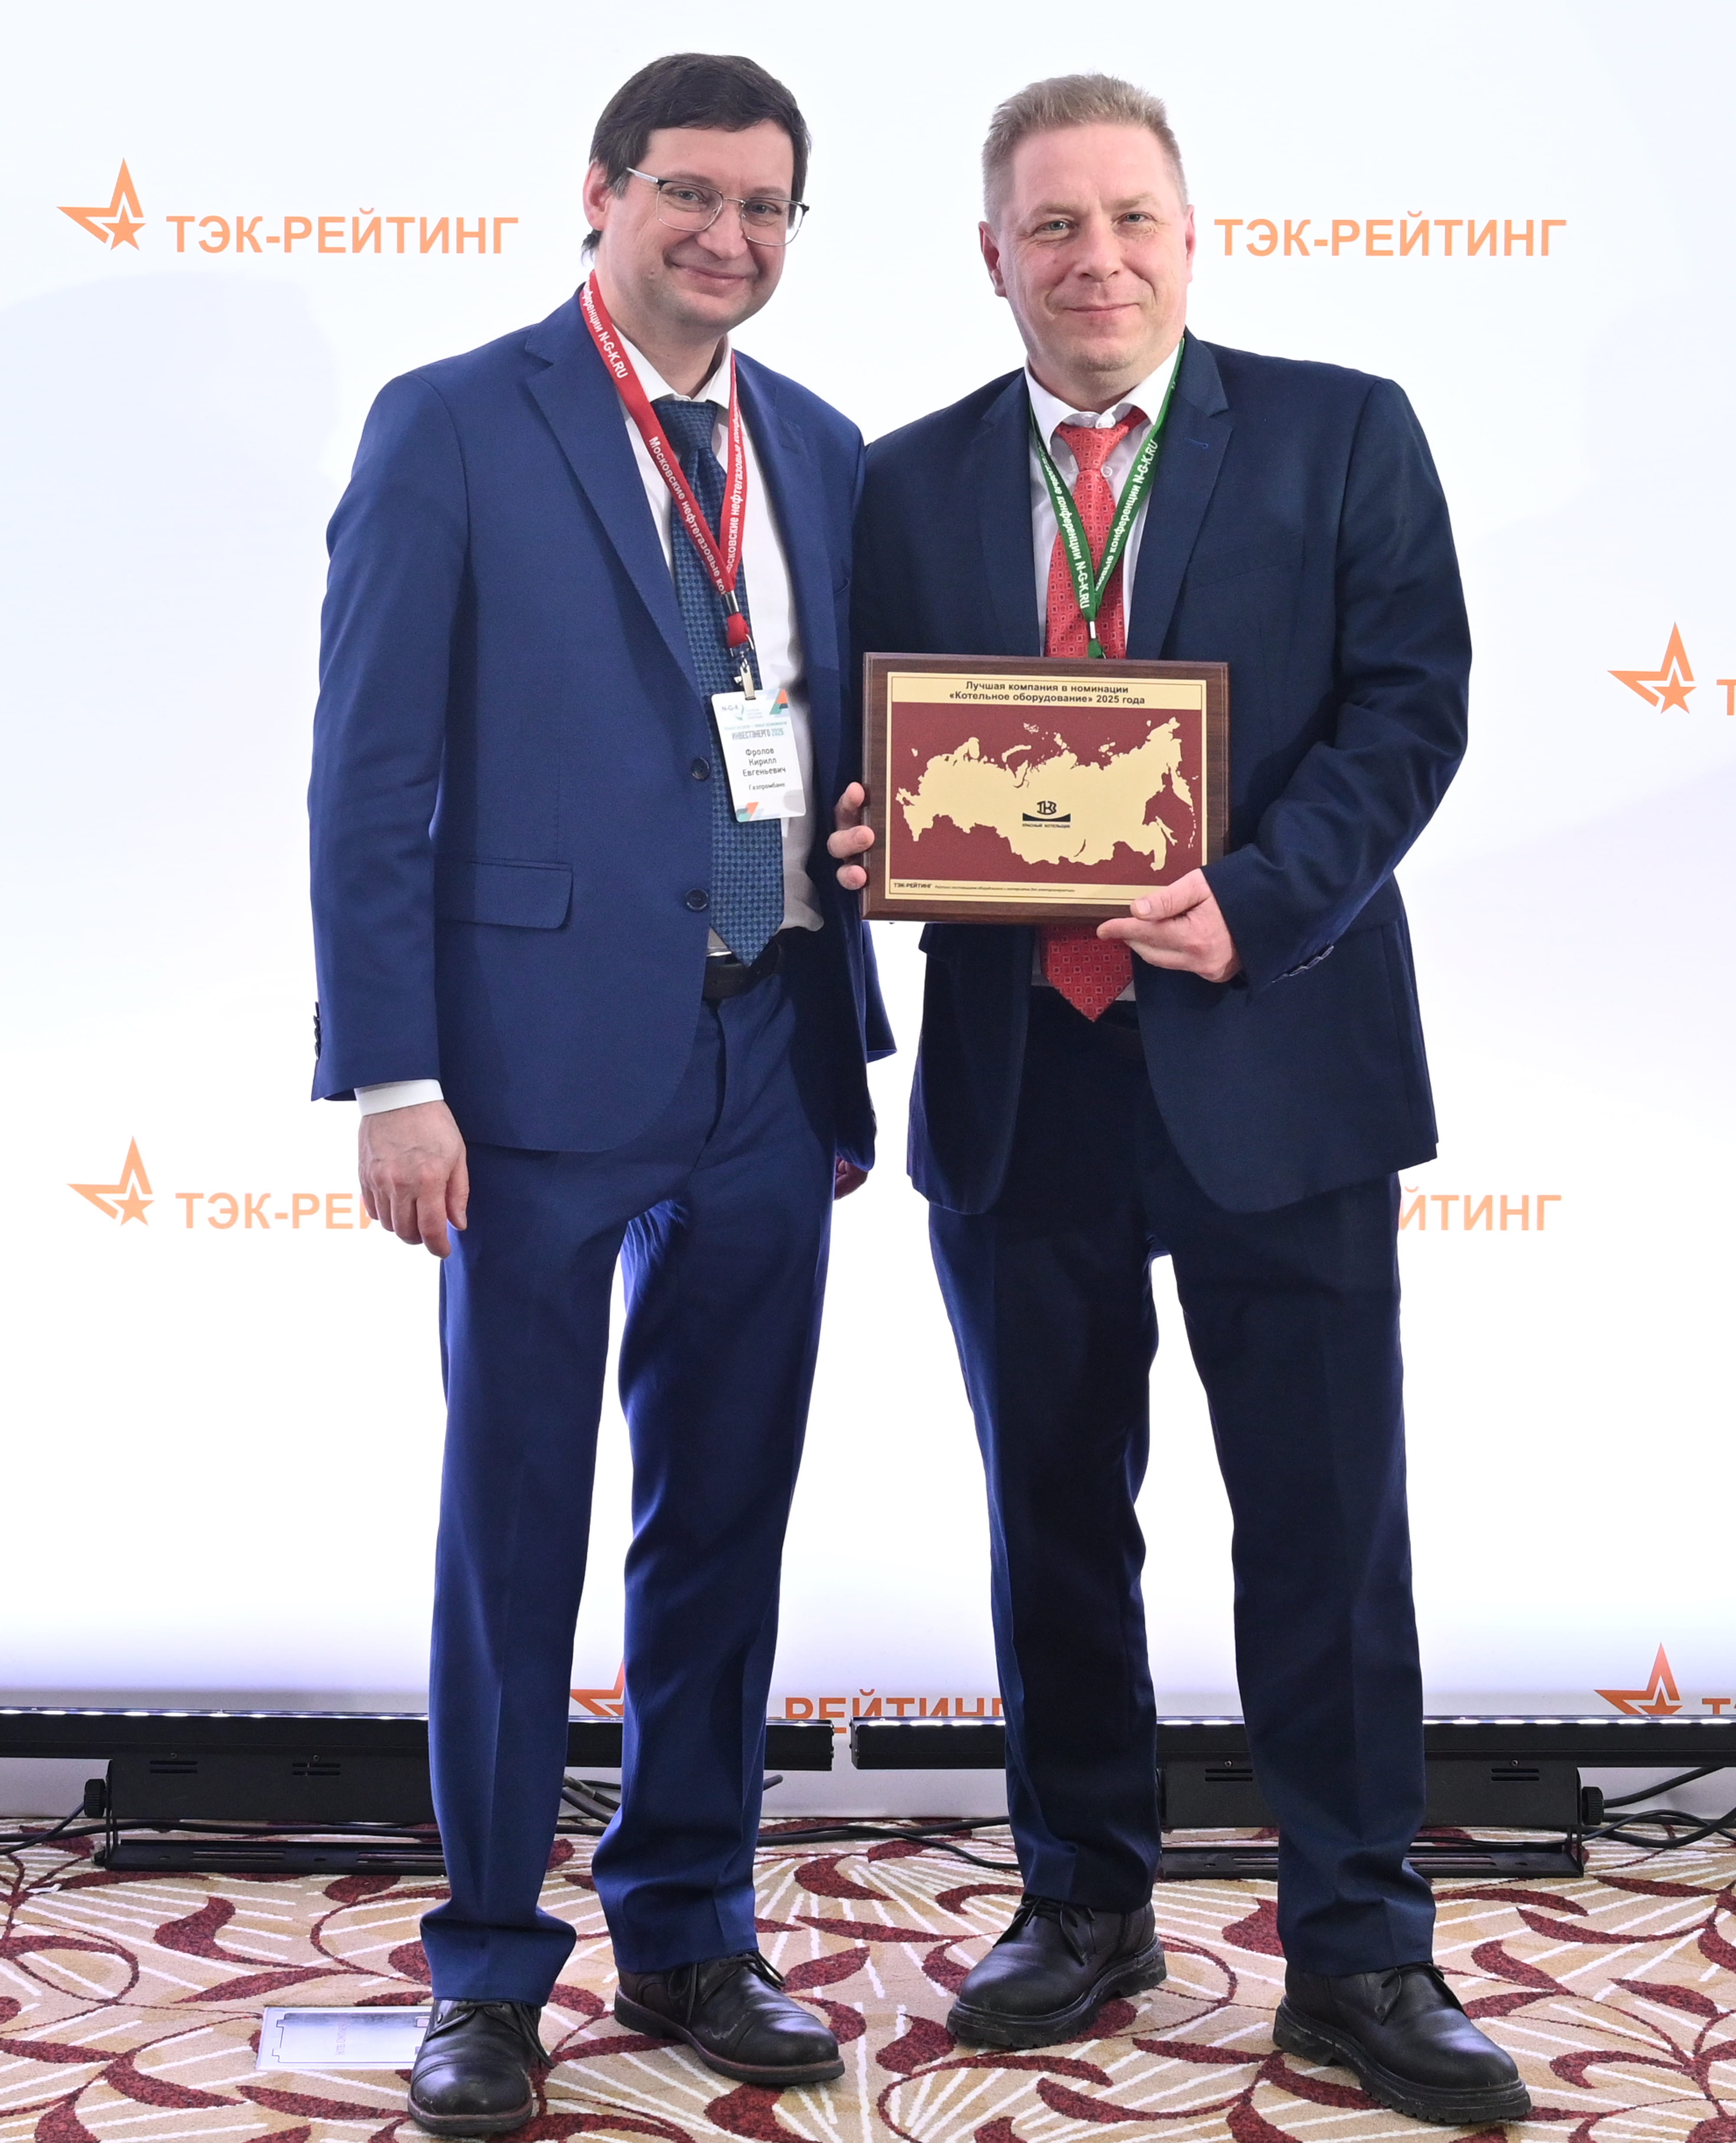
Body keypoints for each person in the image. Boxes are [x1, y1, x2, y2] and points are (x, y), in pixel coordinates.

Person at [831, 73, 1529, 2128]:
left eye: (1131, 218)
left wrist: (1259, 897)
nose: (1097, 260)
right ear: (992, 254)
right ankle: (1082, 1900)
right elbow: (874, 747)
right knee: (1054, 1519)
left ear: (1190, 233)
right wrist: (866, 834)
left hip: (1277, 1058)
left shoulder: (1343, 430)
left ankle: (1361, 1944)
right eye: (1052, 227)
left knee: (1324, 1527)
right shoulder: (901, 478)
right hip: (1020, 1073)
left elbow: (1411, 709)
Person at [309, 51, 890, 2132]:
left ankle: (689, 1922)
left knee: (722, 1517)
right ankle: (485, 1962)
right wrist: (394, 1072)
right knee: (514, 1530)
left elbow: (829, 737)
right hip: (528, 1070)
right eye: (689, 193)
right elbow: (368, 775)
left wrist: (870, 838)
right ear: (601, 190)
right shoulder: (455, 421)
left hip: (770, 1044)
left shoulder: (819, 447)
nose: (726, 235)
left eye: (764, 206)